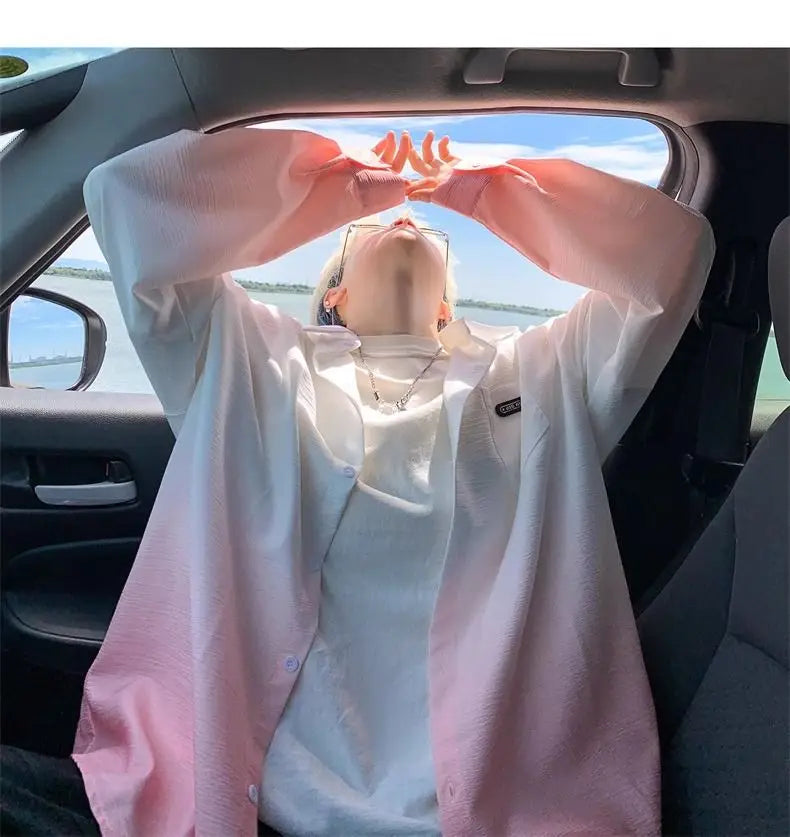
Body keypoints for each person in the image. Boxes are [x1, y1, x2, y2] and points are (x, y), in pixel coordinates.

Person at [0, 126, 715, 836]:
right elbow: (126, 200)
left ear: (446, 307)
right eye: (369, 229)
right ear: (335, 294)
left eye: (426, 227)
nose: (407, 218)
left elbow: (675, 255)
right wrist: (343, 186)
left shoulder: (546, 373)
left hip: (493, 812)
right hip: (243, 799)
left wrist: (487, 190)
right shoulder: (245, 357)